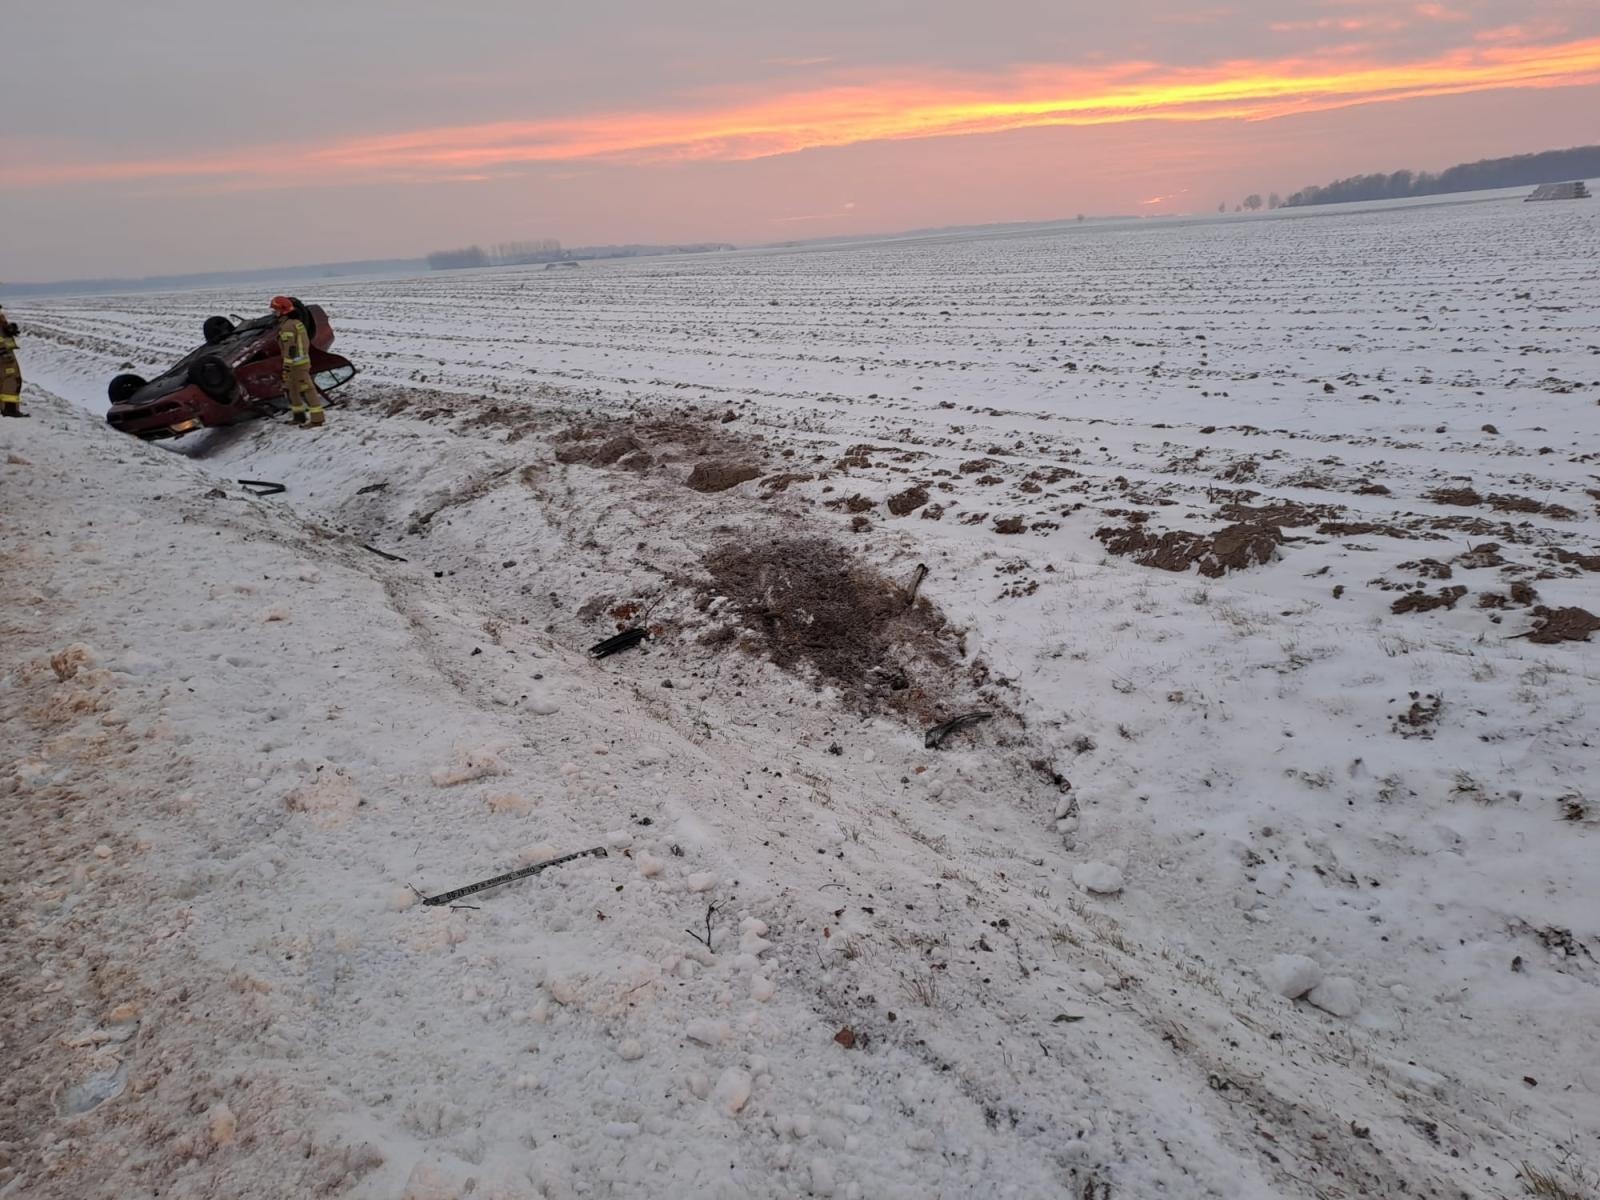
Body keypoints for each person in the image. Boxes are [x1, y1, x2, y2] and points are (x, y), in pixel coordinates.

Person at [270, 296, 323, 427]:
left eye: (275, 310)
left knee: (307, 390)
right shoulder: (295, 323)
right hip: (297, 363)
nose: (273, 313)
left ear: (282, 311)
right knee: (292, 390)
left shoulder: (288, 327)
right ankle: (299, 417)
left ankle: (317, 419)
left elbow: (290, 348)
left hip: (296, 365)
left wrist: (287, 366)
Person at [0, 305, 26, 418]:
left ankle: (6, 408)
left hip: (5, 353)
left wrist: (9, 330)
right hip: (3, 356)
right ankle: (9, 409)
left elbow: (3, 334)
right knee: (11, 380)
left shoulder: (1, 318)